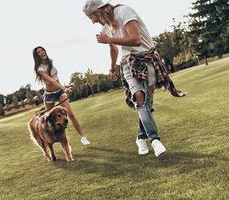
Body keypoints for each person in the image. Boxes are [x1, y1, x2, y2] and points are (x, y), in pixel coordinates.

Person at [83, 0, 185, 157]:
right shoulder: (106, 27)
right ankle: (155, 140)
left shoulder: (124, 11)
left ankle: (140, 137)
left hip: (147, 58)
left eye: (92, 17)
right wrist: (112, 68)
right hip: (128, 61)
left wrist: (109, 39)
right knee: (140, 97)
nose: (93, 21)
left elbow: (135, 40)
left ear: (98, 11)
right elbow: (114, 49)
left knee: (147, 102)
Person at [32, 46, 90, 145]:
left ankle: (83, 137)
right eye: (39, 52)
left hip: (60, 92)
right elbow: (51, 80)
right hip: (49, 95)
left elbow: (56, 78)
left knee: (70, 113)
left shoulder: (50, 61)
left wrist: (64, 88)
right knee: (48, 119)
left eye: (42, 50)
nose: (42, 52)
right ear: (37, 56)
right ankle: (47, 139)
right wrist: (65, 88)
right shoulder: (40, 69)